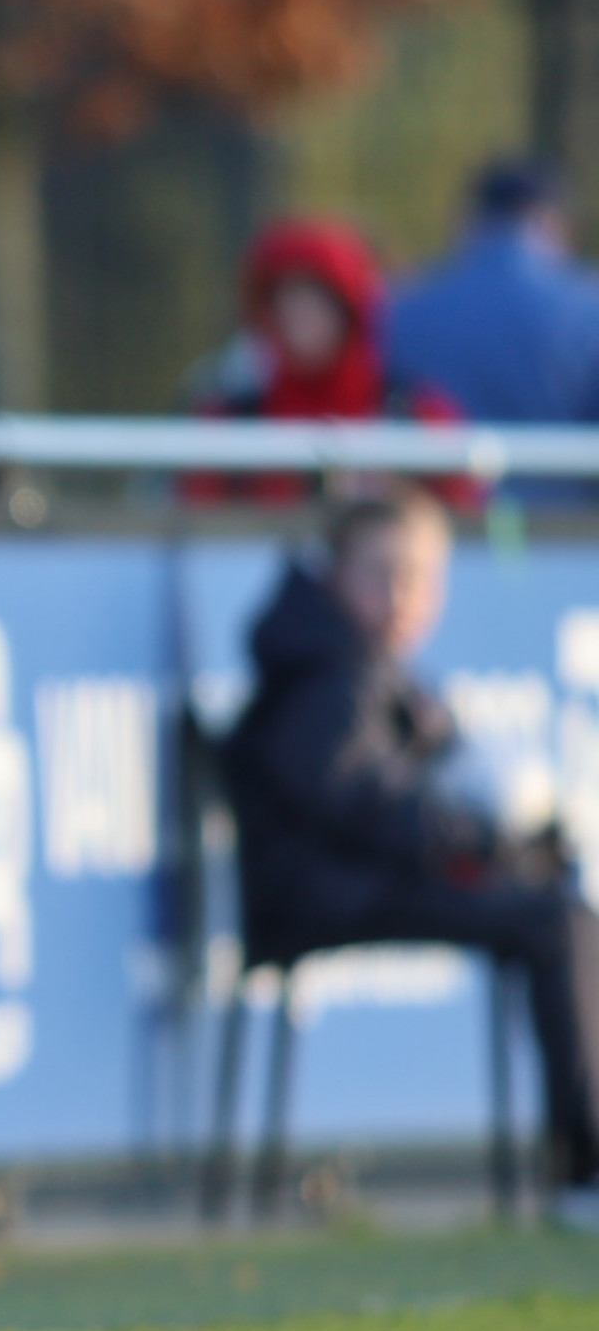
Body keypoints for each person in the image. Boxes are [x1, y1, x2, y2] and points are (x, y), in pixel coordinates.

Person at [225, 490, 599, 1227]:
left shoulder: (362, 659)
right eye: (381, 573)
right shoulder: (323, 666)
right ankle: (587, 1170)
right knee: (557, 920)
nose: (401, 596)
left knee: (562, 907)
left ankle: (582, 1163)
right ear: (334, 574)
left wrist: (512, 843)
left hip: (364, 883)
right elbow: (360, 803)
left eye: (420, 576)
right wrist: (484, 839)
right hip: (325, 895)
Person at [188, 218, 464, 506]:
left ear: (350, 312)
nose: (299, 319)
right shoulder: (229, 422)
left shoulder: (419, 416)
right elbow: (195, 525)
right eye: (286, 301)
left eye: (316, 302)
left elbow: (463, 523)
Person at [388, 159, 599, 431]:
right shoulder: (588, 309)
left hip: (437, 471)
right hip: (564, 473)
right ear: (550, 219)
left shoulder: (401, 311)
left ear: (468, 219)